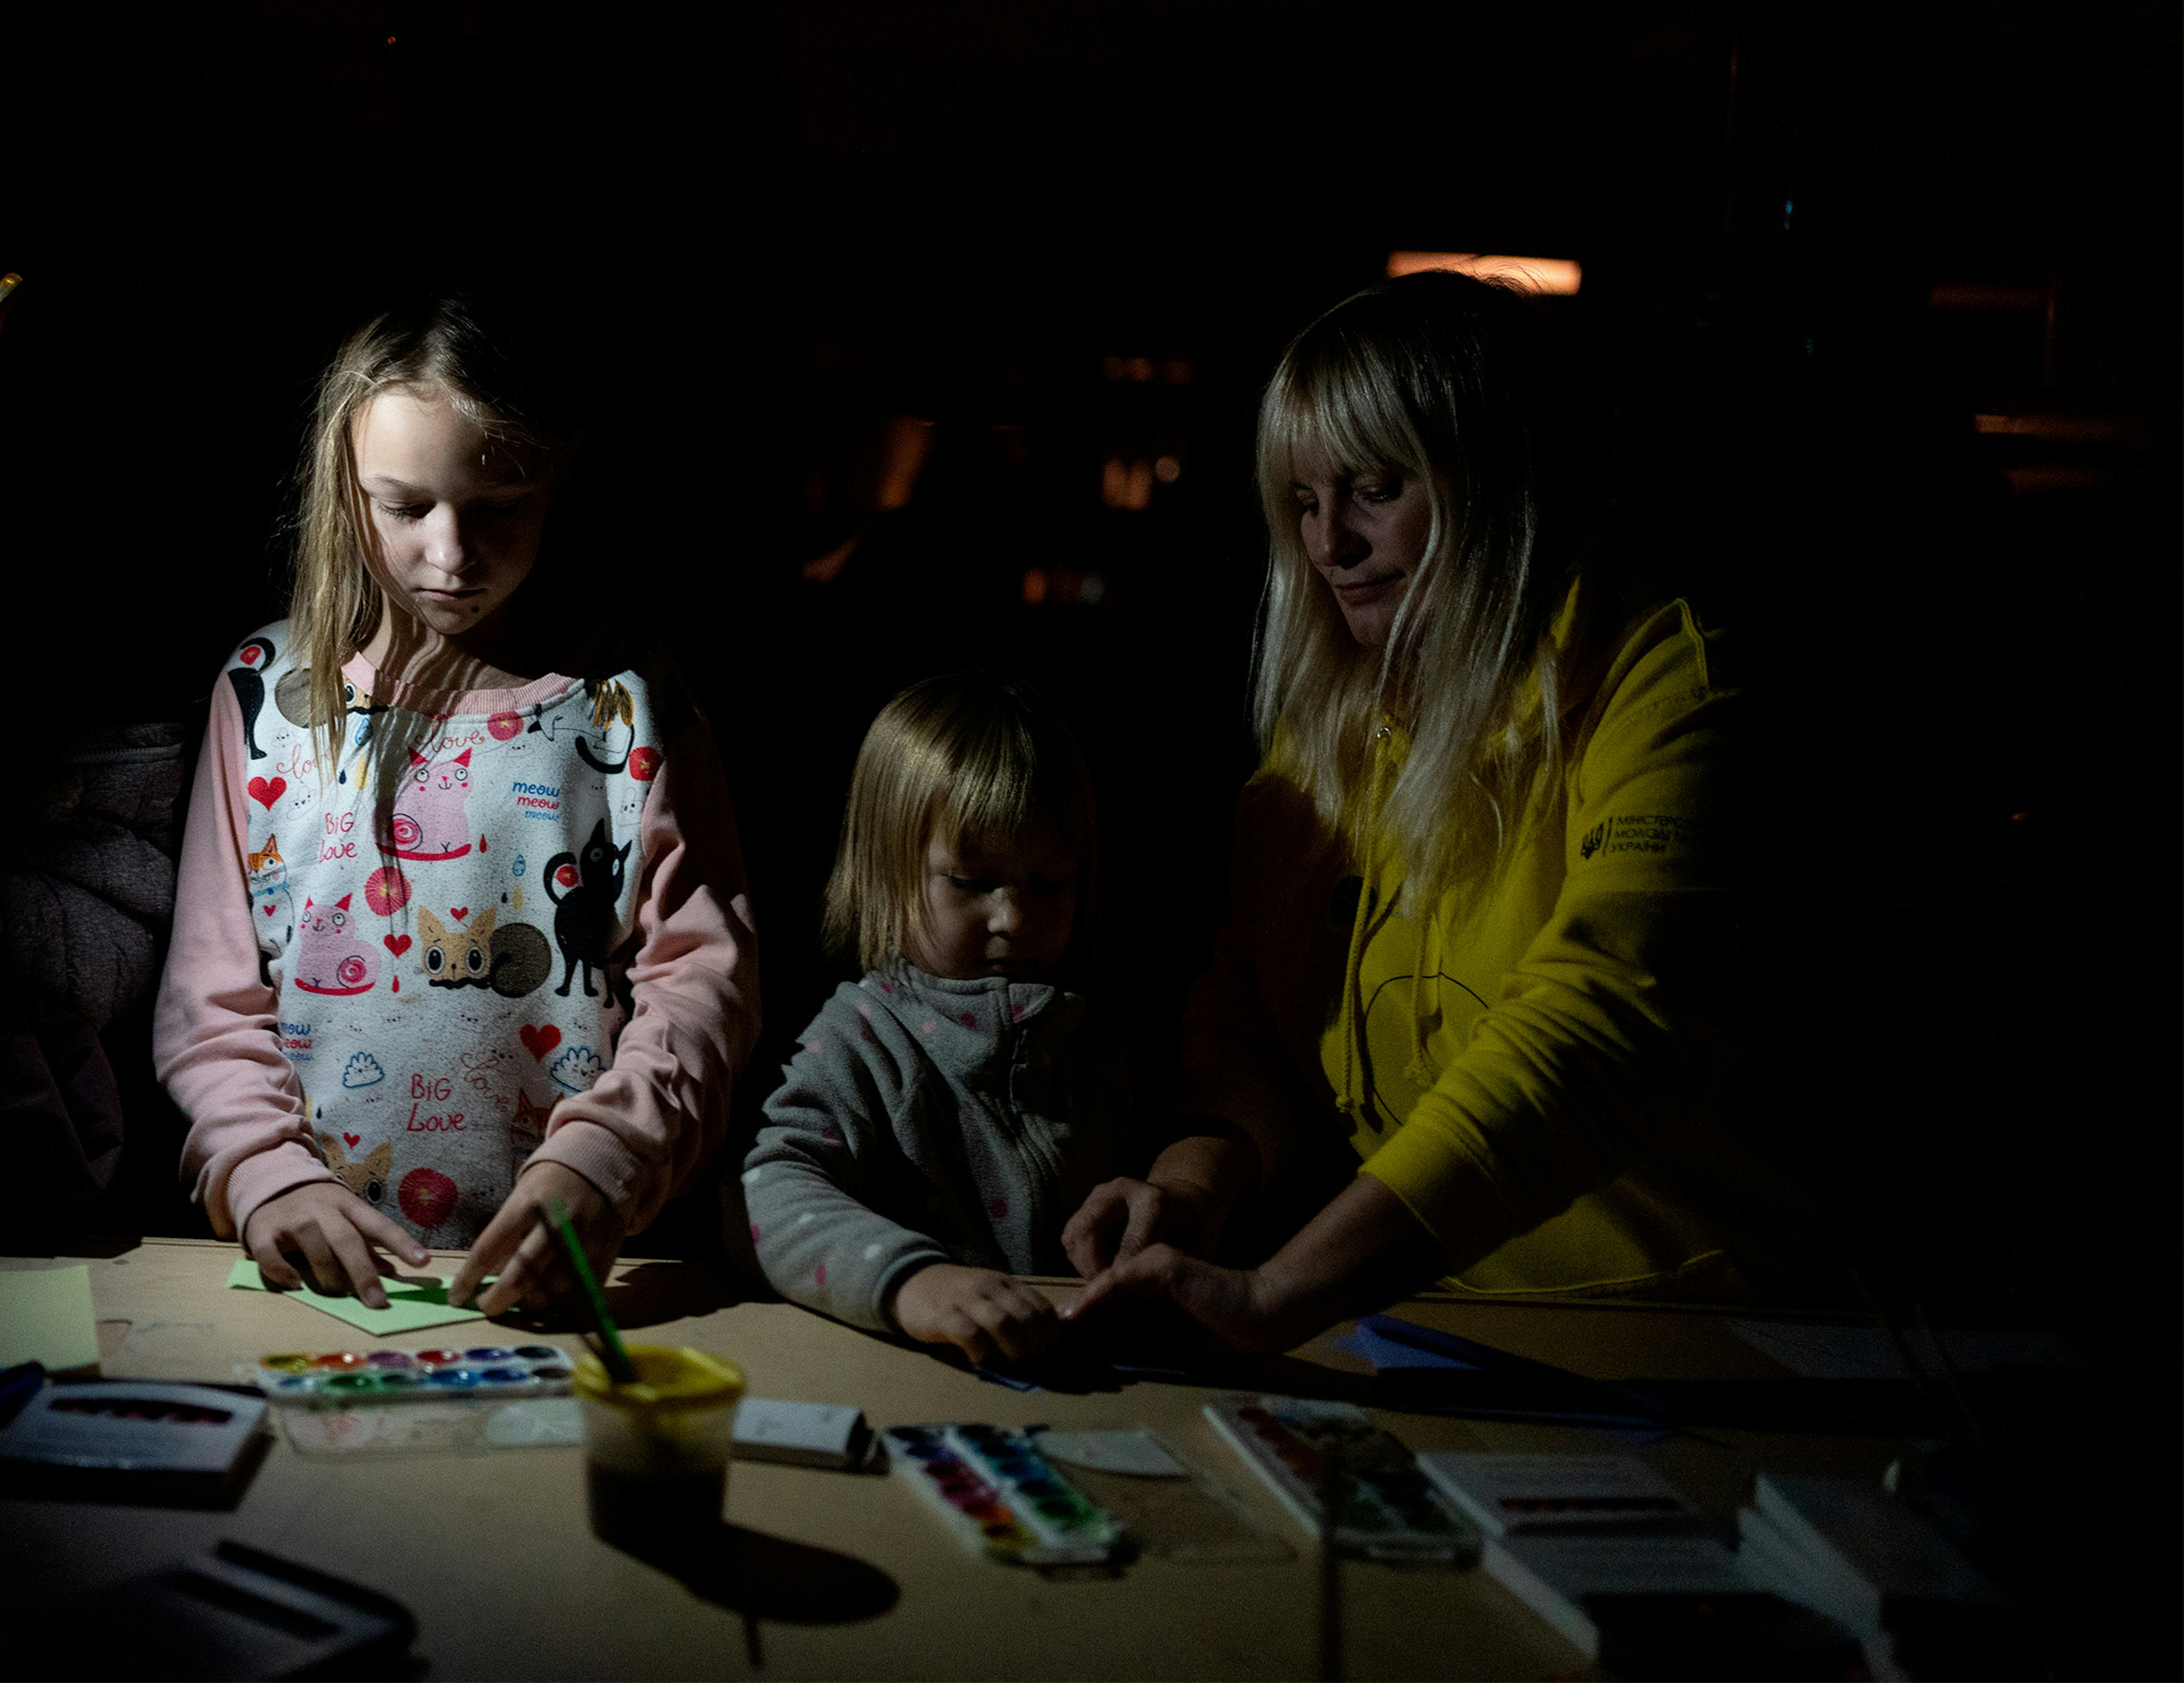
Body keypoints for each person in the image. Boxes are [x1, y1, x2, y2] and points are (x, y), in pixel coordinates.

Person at [1062, 270, 1797, 1352]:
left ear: (1495, 478)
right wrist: (1192, 1182)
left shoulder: (1663, 674)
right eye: (1304, 504)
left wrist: (1282, 1293)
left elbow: (1601, 1028)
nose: (1329, 546)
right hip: (1455, 1329)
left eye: (1372, 488)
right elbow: (1259, 1008)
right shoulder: (1342, 723)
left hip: (1711, 1334)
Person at [153, 298, 759, 1317]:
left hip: (571, 1286)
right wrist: (266, 1174)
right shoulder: (264, 693)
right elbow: (211, 1002)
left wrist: (608, 1161)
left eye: (500, 504)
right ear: (345, 489)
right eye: (405, 507)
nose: (451, 553)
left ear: (558, 474)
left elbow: (702, 981)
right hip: (314, 1287)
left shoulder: (627, 699)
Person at [742, 675, 1121, 1367]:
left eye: (1050, 882)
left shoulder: (1098, 1044)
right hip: (914, 1383)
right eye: (973, 883)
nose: (1014, 918)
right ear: (885, 871)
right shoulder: (862, 1039)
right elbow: (768, 1195)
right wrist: (912, 1281)